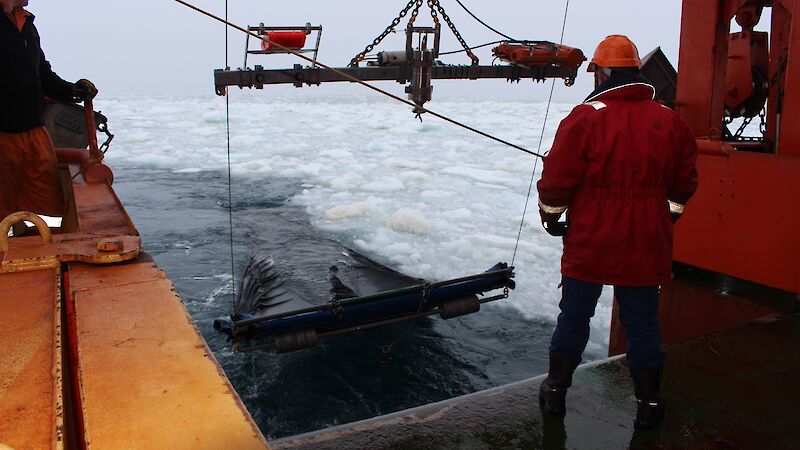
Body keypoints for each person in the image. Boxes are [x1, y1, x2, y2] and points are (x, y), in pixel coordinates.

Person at [536, 35, 698, 430]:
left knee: (574, 316)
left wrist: (551, 216)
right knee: (643, 323)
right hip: (646, 240)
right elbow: (683, 183)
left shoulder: (584, 117)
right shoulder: (669, 120)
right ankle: (649, 403)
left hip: (591, 238)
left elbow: (557, 180)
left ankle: (556, 391)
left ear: (603, 72)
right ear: (636, 71)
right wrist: (667, 217)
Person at [1, 0, 97, 235]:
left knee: (45, 190)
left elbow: (43, 74)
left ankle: (31, 235)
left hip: (33, 128)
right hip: (2, 131)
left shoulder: (27, 24)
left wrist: (72, 91)